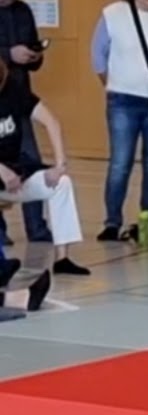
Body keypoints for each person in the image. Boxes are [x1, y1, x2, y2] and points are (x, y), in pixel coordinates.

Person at [91, 0, 148, 242]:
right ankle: (112, 222)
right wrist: (112, 85)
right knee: (120, 163)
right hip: (123, 101)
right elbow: (97, 55)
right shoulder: (113, 13)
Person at [0, 58, 89, 276]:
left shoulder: (14, 91)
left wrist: (60, 165)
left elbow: (51, 122)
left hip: (16, 171)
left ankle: (62, 259)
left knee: (61, 184)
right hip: (3, 173)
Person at [0, 0, 51, 244]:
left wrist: (34, 55)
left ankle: (37, 227)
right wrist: (9, 53)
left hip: (19, 98)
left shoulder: (23, 10)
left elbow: (34, 52)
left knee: (31, 162)